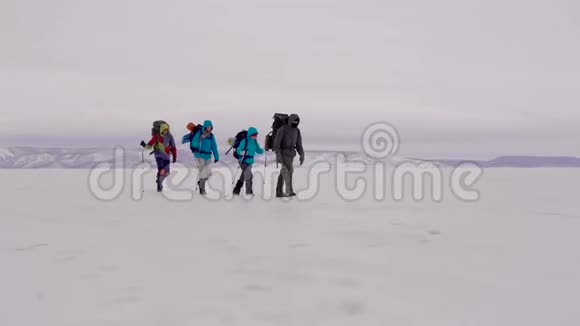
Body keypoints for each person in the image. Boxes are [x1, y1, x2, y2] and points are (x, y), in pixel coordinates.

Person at [273, 113, 304, 197]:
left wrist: (301, 154)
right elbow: (277, 144)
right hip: (283, 154)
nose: (295, 122)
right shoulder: (282, 129)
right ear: (290, 120)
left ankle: (279, 192)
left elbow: (299, 144)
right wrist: (278, 156)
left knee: (284, 173)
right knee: (287, 172)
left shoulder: (297, 131)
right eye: (294, 121)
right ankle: (289, 191)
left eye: (297, 121)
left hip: (291, 155)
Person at [140, 123, 177, 192]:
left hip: (166, 156)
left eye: (167, 130)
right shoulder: (157, 137)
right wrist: (144, 145)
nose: (166, 131)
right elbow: (150, 145)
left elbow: (173, 147)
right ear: (161, 130)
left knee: (167, 172)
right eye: (164, 130)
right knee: (162, 170)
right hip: (159, 155)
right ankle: (159, 186)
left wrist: (174, 156)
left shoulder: (170, 136)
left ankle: (159, 182)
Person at [233, 127, 264, 196]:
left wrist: (263, 150)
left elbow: (258, 150)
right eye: (253, 135)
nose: (255, 137)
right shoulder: (245, 141)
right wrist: (243, 152)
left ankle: (236, 190)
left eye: (255, 135)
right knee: (249, 176)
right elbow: (238, 150)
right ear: (250, 135)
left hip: (250, 162)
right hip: (243, 161)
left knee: (243, 176)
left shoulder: (255, 142)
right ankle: (249, 192)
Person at [191, 120, 219, 195]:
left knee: (209, 173)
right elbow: (194, 143)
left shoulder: (211, 136)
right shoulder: (199, 133)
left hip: (208, 156)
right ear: (205, 126)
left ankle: (200, 182)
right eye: (208, 127)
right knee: (203, 173)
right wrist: (200, 139)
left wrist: (216, 157)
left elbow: (214, 147)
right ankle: (202, 189)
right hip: (200, 156)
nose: (209, 128)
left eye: (210, 127)